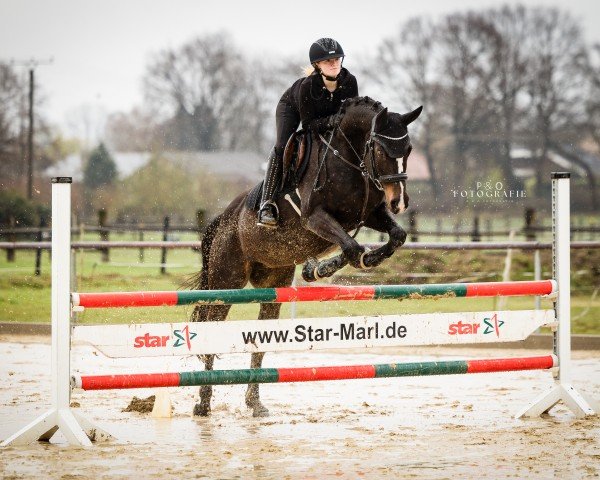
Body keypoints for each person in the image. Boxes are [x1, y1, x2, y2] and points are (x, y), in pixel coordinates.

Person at [257, 37, 359, 228]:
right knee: (281, 146)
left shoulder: (350, 82)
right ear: (317, 64)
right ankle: (267, 204)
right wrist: (332, 120)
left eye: (337, 59)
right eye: (328, 61)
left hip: (324, 118)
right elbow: (309, 125)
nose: (334, 63)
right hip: (291, 108)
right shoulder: (308, 86)